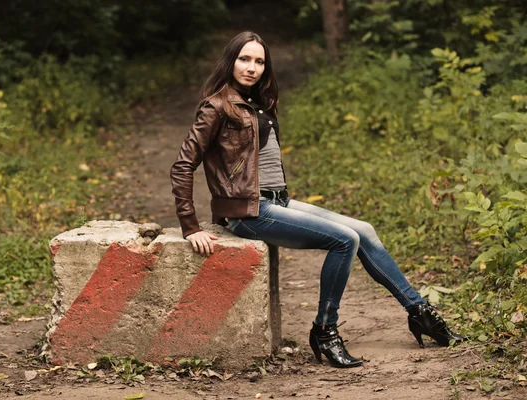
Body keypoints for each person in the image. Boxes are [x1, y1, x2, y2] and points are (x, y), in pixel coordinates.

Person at [170, 31, 465, 368]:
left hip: (277, 202)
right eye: (244, 59)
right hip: (249, 212)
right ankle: (325, 330)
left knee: (364, 230)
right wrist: (189, 225)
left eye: (259, 61)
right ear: (231, 61)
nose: (252, 67)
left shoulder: (258, 103)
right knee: (344, 240)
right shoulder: (216, 106)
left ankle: (420, 312)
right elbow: (183, 164)